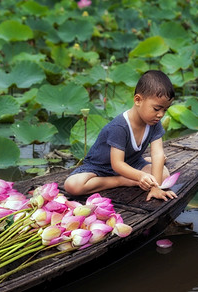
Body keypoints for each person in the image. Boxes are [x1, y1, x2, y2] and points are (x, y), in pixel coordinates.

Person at [64, 70, 177, 201]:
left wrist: (156, 187)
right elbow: (117, 164)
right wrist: (140, 176)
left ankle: (141, 166)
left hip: (131, 162)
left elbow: (157, 153)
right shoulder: (119, 127)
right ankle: (121, 180)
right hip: (101, 167)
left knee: (164, 175)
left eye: (165, 110)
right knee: (72, 186)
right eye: (157, 109)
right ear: (138, 100)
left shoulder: (154, 123)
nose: (161, 114)